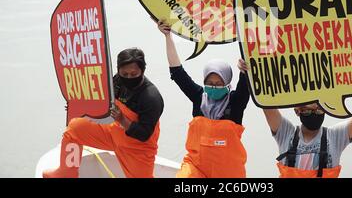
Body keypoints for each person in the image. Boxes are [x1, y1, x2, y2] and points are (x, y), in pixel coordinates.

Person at [43, 48, 164, 178]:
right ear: (118, 71)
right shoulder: (117, 81)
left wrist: (122, 119)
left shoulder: (151, 98)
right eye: (124, 74)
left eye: (134, 74)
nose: (128, 78)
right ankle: (66, 173)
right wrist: (77, 107)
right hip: (113, 134)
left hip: (137, 148)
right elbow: (101, 102)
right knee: (74, 128)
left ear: (143, 71)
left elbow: (144, 134)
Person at [158, 20, 250, 178]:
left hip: (228, 173)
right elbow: (177, 73)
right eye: (209, 83)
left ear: (227, 83)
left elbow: (246, 78)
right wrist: (168, 36)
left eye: (218, 83)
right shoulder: (198, 97)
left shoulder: (236, 102)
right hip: (196, 168)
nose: (213, 87)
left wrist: (246, 69)